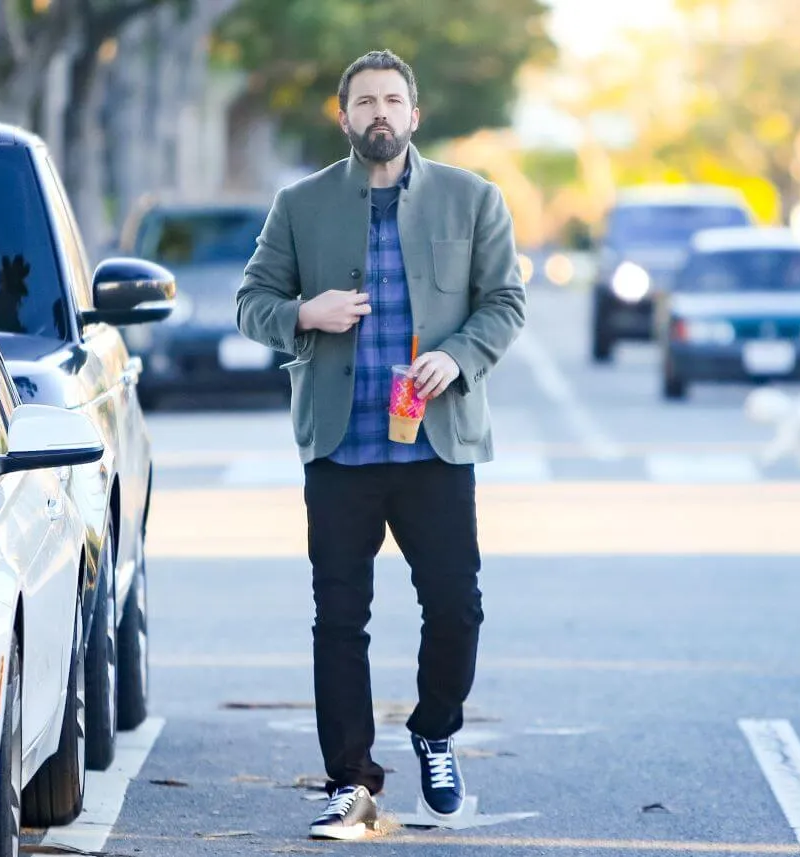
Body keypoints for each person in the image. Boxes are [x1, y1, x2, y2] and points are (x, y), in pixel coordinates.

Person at [236, 49, 526, 841]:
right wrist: (305, 313)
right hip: (341, 447)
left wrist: (457, 356)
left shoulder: (473, 199)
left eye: (393, 100)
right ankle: (350, 783)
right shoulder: (301, 204)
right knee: (339, 619)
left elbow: (505, 302)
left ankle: (435, 730)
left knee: (456, 607)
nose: (379, 114)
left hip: (436, 446)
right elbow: (251, 301)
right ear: (344, 116)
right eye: (364, 101)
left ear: (414, 114)